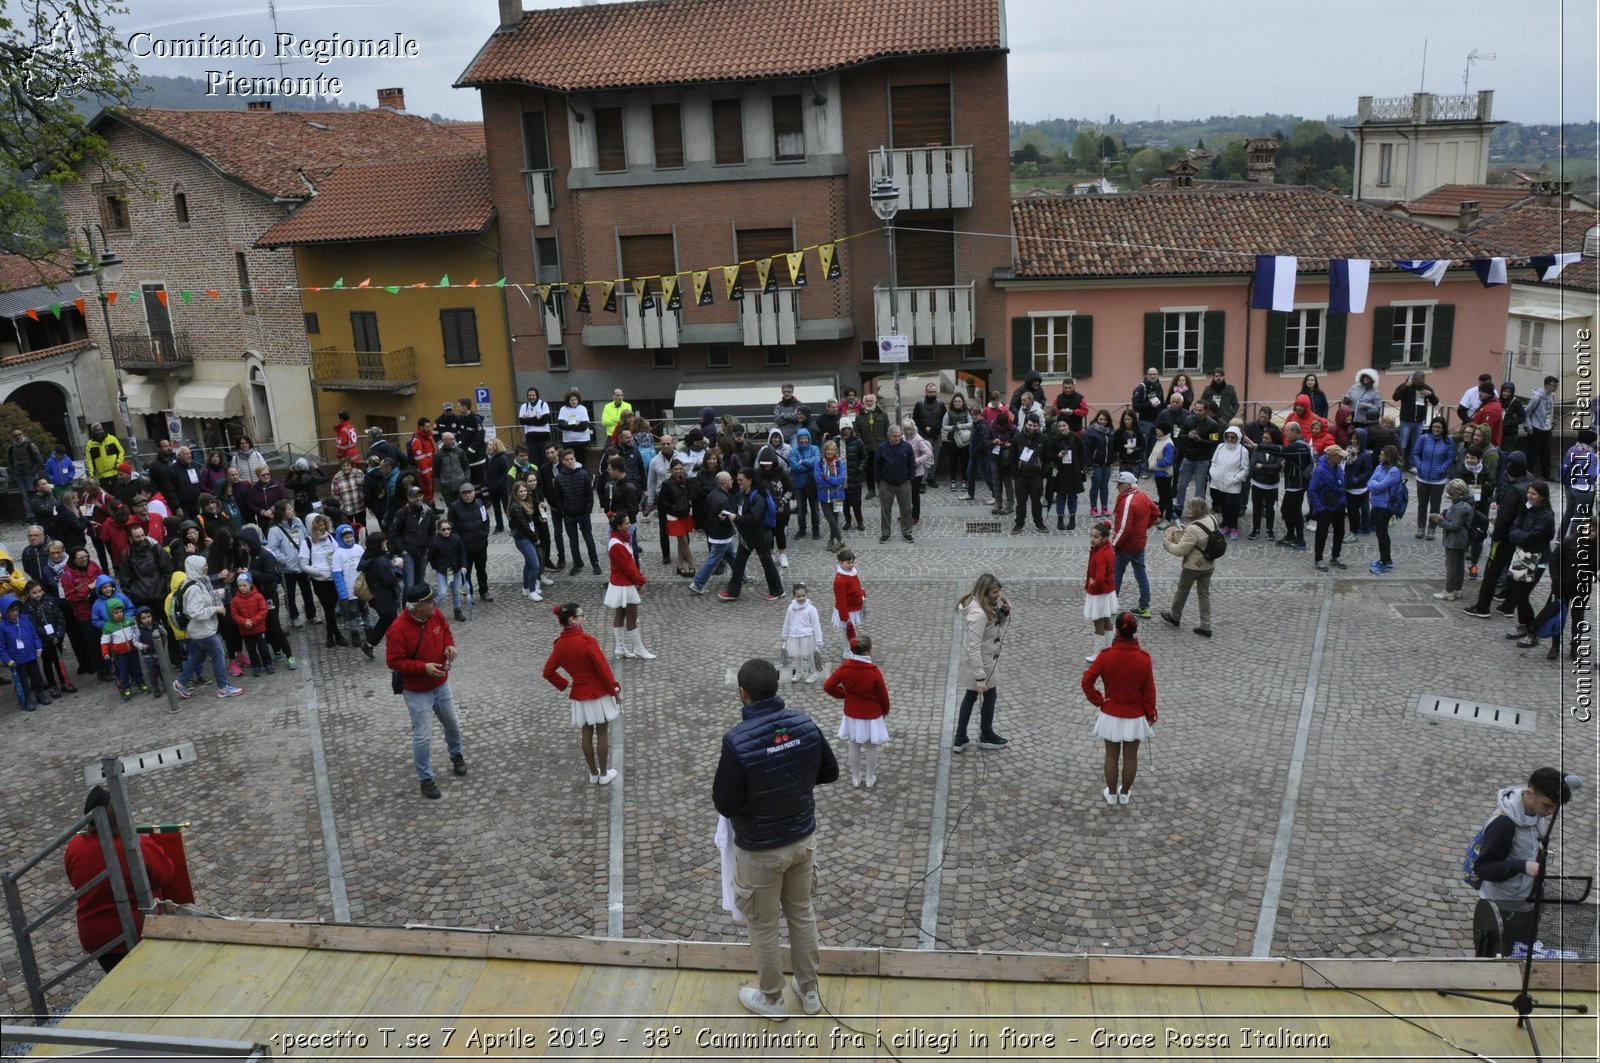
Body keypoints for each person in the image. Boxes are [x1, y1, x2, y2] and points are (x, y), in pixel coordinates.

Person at [713, 656, 839, 1020]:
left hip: (760, 850)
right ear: (777, 687)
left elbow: (724, 802)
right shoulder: (803, 723)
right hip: (802, 839)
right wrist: (793, 786)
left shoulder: (736, 741)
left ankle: (772, 999)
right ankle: (810, 991)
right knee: (801, 913)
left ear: (743, 694)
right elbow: (829, 771)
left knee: (764, 925)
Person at [65, 786, 178, 972]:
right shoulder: (136, 847)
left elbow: (75, 879)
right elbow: (165, 873)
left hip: (98, 938)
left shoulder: (75, 847)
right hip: (141, 929)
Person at [385, 583, 466, 799]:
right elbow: (393, 661)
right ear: (417, 607)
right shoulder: (397, 629)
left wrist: (449, 646)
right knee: (423, 736)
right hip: (417, 690)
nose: (435, 604)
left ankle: (456, 754)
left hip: (441, 684)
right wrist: (423, 668)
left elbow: (446, 632)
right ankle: (425, 779)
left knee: (453, 723)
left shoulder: (435, 615)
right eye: (430, 601)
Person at [1082, 611, 1157, 805]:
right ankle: (1125, 794)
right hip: (1135, 714)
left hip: (1112, 712)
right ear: (1134, 632)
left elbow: (1087, 682)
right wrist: (1150, 715)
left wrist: (1099, 701)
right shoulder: (1144, 658)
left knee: (1111, 755)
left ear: (1116, 631)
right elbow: (1149, 691)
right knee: (1131, 757)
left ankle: (1112, 794)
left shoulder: (1106, 656)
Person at [543, 601, 621, 785]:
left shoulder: (560, 645)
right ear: (572, 619)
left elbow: (548, 672)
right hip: (597, 693)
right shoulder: (587, 641)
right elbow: (603, 670)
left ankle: (593, 773)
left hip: (580, 695)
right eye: (581, 615)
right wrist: (615, 690)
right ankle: (604, 774)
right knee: (602, 733)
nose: (584, 618)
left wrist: (567, 683)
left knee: (586, 734)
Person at [1472, 767, 1572, 905]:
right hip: (1501, 901)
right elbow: (1483, 868)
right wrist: (1521, 866)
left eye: (1556, 807)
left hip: (1526, 895)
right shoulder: (1503, 825)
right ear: (1530, 794)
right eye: (1547, 806)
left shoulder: (1537, 812)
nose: (1551, 812)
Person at [171, 555, 244, 699]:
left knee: (198, 656)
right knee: (218, 655)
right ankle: (223, 688)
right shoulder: (194, 588)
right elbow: (195, 612)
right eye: (203, 565)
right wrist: (216, 609)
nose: (206, 567)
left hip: (199, 630)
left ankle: (180, 682)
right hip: (202, 630)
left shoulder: (197, 582)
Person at [824, 633, 890, 789]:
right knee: (871, 746)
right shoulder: (873, 671)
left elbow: (828, 686)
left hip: (852, 714)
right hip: (871, 715)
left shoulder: (845, 668)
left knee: (853, 745)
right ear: (867, 652)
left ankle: (855, 777)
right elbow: (883, 696)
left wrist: (843, 694)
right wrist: (885, 711)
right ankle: (869, 778)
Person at [953, 573, 1009, 752]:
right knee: (988, 696)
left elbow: (994, 625)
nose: (998, 595)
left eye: (998, 591)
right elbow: (974, 647)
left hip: (982, 661)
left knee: (970, 697)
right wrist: (980, 677)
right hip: (981, 664)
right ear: (984, 592)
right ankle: (985, 735)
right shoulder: (979, 614)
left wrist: (1004, 613)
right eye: (994, 592)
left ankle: (960, 738)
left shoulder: (984, 605)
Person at [718, 468, 784, 602]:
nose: (738, 482)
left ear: (750, 480)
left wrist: (736, 517)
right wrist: (727, 514)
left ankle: (777, 591)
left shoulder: (757, 497)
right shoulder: (744, 494)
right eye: (737, 480)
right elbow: (738, 510)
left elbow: (754, 519)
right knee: (738, 564)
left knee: (768, 564)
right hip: (747, 537)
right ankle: (733, 592)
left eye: (741, 480)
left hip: (759, 537)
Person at [1161, 497, 1219, 637]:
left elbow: (1180, 550)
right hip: (1209, 564)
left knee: (1182, 590)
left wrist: (1166, 543)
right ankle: (1206, 625)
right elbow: (1202, 534)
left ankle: (1175, 616)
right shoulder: (1212, 519)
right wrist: (1186, 530)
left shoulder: (1193, 529)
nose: (1188, 510)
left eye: (1190, 508)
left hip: (1193, 567)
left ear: (1197, 510)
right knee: (1204, 594)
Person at [603, 512, 653, 660]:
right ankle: (639, 649)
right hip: (623, 584)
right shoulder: (617, 544)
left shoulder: (618, 540)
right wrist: (641, 581)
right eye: (626, 523)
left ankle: (620, 648)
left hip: (620, 583)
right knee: (631, 615)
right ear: (619, 526)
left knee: (620, 613)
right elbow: (628, 567)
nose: (629, 525)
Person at [1108, 471, 1157, 618]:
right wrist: (1143, 528)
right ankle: (1144, 606)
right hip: (1139, 543)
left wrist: (1114, 544)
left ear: (1127, 485)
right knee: (1141, 575)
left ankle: (1111, 605)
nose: (1117, 487)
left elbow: (1124, 528)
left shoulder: (1128, 501)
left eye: (1119, 484)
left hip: (1126, 546)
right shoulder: (1142, 495)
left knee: (1116, 574)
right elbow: (1156, 512)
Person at [553, 448, 601, 576]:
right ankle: (577, 563)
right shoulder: (559, 478)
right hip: (569, 515)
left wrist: (588, 510)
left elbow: (590, 494)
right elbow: (558, 498)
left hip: (583, 513)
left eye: (571, 459)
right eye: (567, 460)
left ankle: (595, 563)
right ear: (562, 461)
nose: (569, 462)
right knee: (573, 541)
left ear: (575, 459)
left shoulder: (583, 474)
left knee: (589, 539)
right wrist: (564, 513)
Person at [448, 482, 493, 602]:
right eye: (465, 493)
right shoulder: (454, 507)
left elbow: (486, 520)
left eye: (470, 492)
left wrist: (485, 534)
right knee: (465, 573)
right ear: (461, 495)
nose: (468, 496)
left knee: (481, 570)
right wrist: (460, 542)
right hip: (465, 547)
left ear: (474, 492)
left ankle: (484, 590)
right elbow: (451, 527)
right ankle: (469, 593)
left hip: (480, 544)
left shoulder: (479, 503)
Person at [1412, 418, 1455, 541]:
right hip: (1422, 478)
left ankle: (1432, 528)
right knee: (1422, 504)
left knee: (1435, 505)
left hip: (1438, 480)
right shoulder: (1424, 438)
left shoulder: (1448, 441)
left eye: (1439, 427)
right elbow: (1415, 453)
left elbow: (1450, 458)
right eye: (1434, 426)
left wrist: (1442, 469)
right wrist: (1419, 465)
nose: (1436, 429)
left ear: (1443, 428)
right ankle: (1421, 527)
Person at [874, 424, 917, 544]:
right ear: (889, 436)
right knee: (885, 510)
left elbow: (912, 463)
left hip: (903, 483)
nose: (897, 438)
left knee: (906, 509)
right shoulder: (882, 447)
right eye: (895, 436)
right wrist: (879, 481)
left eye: (899, 436)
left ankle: (907, 532)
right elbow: (877, 464)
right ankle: (886, 533)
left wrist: (910, 479)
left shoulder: (907, 446)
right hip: (886, 483)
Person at [1082, 521, 1118, 662]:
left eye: (1096, 537)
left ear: (1104, 538)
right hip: (1107, 591)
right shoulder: (1105, 550)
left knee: (1098, 622)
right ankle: (1109, 649)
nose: (1092, 539)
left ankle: (1099, 653)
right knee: (1106, 620)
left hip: (1099, 592)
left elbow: (1100, 577)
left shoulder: (1101, 554)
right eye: (1091, 536)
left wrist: (1092, 584)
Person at [1207, 425, 1249, 539]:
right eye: (1228, 437)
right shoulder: (1220, 447)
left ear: (1238, 438)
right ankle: (1225, 524)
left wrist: (1235, 479)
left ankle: (1234, 527)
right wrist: (1214, 474)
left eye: (1232, 437)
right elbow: (1213, 462)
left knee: (1233, 506)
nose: (1230, 439)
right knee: (1223, 505)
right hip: (1219, 482)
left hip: (1233, 484)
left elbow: (1244, 469)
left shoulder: (1242, 451)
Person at [1367, 445, 1403, 575]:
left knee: (1382, 533)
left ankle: (1385, 561)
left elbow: (1381, 486)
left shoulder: (1394, 471)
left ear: (1388, 456)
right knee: (1379, 532)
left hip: (1386, 506)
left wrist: (1374, 485)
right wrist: (1375, 485)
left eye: (1382, 454)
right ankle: (1386, 559)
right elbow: (1370, 482)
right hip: (1376, 504)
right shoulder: (1379, 467)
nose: (1379, 456)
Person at [780, 581, 824, 684]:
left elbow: (816, 625)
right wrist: (785, 635)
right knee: (797, 655)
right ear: (794, 596)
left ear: (807, 594)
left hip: (807, 637)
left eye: (803, 595)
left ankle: (813, 673)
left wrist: (818, 640)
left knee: (809, 656)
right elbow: (787, 622)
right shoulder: (791, 608)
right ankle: (799, 672)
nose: (801, 598)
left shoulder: (811, 609)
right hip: (794, 636)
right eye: (798, 596)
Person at [1392, 371, 1438, 469]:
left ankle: (1413, 465)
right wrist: (1406, 386)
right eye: (1419, 382)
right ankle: (1399, 464)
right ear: (1414, 379)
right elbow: (1395, 397)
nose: (1421, 383)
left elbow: (1435, 402)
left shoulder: (1426, 388)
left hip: (1419, 422)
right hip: (1406, 421)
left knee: (1416, 445)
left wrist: (1430, 395)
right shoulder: (1405, 386)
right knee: (1402, 444)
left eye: (1423, 381)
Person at [814, 440, 847, 552]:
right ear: (824, 450)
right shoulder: (819, 463)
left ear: (835, 451)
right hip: (824, 496)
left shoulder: (839, 463)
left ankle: (831, 541)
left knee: (835, 519)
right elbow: (818, 479)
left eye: (832, 450)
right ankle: (841, 541)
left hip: (838, 495)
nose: (829, 452)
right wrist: (833, 481)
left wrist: (827, 479)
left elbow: (841, 478)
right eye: (828, 449)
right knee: (830, 519)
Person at [1524, 375, 1558, 480]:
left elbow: (1550, 412)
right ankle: (1528, 474)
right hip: (1536, 428)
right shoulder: (1537, 398)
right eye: (1553, 385)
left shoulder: (1552, 396)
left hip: (1547, 429)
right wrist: (1529, 426)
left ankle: (1546, 475)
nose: (1555, 388)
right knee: (1532, 453)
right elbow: (1526, 412)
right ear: (1547, 385)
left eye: (1556, 386)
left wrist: (1550, 424)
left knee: (1546, 453)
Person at [1083, 409, 1115, 517]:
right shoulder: (1091, 431)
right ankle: (1094, 507)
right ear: (1097, 419)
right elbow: (1086, 448)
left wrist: (1113, 457)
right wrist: (1089, 464)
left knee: (1105, 487)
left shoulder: (1111, 431)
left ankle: (1104, 507)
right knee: (1095, 486)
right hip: (1096, 465)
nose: (1103, 421)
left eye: (1105, 419)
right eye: (1100, 419)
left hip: (1107, 465)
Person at [942, 393, 974, 493]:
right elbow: (944, 426)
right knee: (953, 463)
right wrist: (953, 427)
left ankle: (965, 480)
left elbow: (971, 423)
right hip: (952, 441)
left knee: (965, 462)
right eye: (956, 401)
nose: (958, 403)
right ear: (953, 402)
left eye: (959, 401)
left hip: (965, 441)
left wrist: (962, 426)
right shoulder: (948, 413)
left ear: (962, 402)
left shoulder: (966, 412)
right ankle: (953, 481)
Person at [557, 390, 593, 466]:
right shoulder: (563, 409)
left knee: (581, 462)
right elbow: (560, 425)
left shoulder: (582, 408)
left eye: (576, 399)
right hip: (568, 441)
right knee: (568, 463)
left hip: (582, 441)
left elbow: (584, 426)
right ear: (568, 401)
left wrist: (568, 426)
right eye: (572, 400)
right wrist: (574, 424)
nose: (574, 402)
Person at [85, 423, 125, 489]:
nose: (99, 432)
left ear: (103, 429)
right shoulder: (90, 444)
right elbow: (89, 461)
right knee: (105, 493)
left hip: (114, 472)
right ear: (93, 432)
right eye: (96, 430)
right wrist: (91, 474)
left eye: (100, 429)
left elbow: (121, 452)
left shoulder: (112, 439)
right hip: (101, 475)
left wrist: (118, 464)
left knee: (119, 490)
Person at [518, 386, 553, 456]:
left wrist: (528, 419)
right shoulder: (524, 406)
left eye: (533, 395)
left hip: (544, 436)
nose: (531, 397)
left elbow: (545, 420)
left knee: (545, 458)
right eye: (529, 395)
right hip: (530, 438)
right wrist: (537, 418)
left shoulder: (543, 404)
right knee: (533, 459)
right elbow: (522, 421)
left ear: (537, 395)